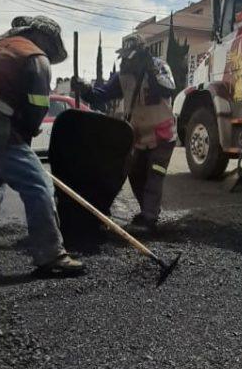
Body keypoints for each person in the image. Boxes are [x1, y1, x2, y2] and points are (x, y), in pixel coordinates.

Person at [0, 15, 83, 277]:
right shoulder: (35, 58)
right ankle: (51, 255)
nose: (51, 54)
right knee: (38, 186)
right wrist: (23, 136)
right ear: (44, 38)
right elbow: (37, 108)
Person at [74, 34, 176, 231]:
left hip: (162, 135)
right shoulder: (123, 75)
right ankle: (146, 211)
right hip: (138, 136)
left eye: (132, 56)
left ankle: (149, 218)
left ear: (142, 53)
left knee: (155, 174)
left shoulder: (159, 66)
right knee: (135, 173)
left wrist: (151, 70)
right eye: (125, 56)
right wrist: (85, 89)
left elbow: (168, 90)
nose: (128, 60)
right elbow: (100, 95)